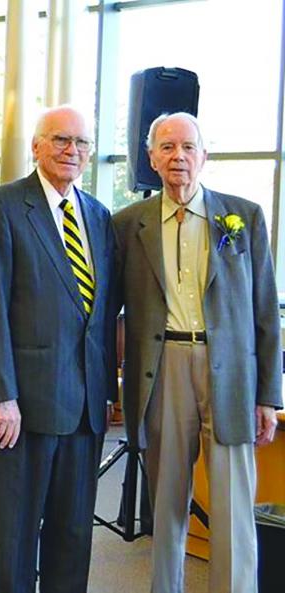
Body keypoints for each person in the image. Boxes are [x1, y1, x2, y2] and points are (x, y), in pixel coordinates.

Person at [113, 112, 282, 593]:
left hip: (230, 376)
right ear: (151, 159)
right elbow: (109, 311)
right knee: (166, 501)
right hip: (162, 369)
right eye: (167, 148)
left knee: (232, 505)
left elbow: (264, 312)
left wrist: (267, 395)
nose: (178, 157)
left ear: (204, 155)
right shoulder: (127, 224)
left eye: (188, 147)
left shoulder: (242, 217)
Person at [0, 105, 117, 593]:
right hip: (24, 407)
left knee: (73, 537)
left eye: (81, 143)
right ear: (36, 146)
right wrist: (1, 395)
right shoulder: (3, 206)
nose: (72, 151)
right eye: (60, 140)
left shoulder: (97, 215)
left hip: (87, 409)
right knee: (15, 536)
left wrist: (108, 388)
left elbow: (102, 312)